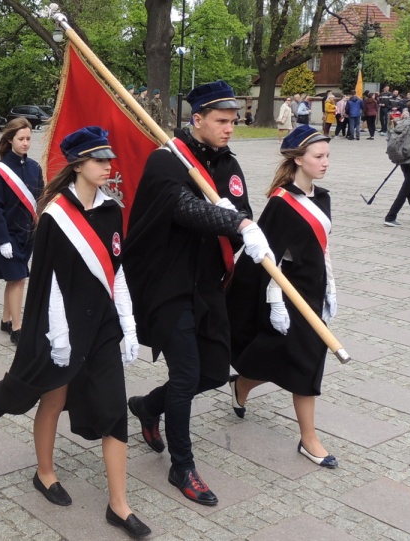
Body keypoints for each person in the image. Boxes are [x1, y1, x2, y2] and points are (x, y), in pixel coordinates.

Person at [0, 127, 152, 539]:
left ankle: (119, 505)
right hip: (61, 328)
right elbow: (46, 282)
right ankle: (44, 473)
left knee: (113, 407)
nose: (108, 167)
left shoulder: (112, 210)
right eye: (99, 161)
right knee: (54, 397)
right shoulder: (54, 216)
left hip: (101, 325)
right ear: (78, 165)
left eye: (109, 160)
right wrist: (61, 336)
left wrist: (128, 324)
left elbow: (116, 273)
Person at [123, 81, 273, 507]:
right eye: (222, 121)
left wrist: (240, 221)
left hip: (208, 286)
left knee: (211, 372)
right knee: (187, 375)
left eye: (233, 121)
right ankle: (182, 465)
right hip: (166, 285)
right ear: (198, 120)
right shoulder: (166, 161)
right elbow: (181, 208)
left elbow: (242, 211)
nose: (230, 129)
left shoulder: (227, 163)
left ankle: (149, 406)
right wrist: (231, 221)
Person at [227, 124, 339, 469]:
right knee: (305, 360)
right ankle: (309, 438)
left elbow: (322, 249)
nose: (325, 163)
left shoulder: (322, 197)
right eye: (318, 157)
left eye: (327, 157)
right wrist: (276, 301)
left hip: (313, 289)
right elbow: (267, 258)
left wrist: (331, 286)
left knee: (299, 358)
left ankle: (243, 383)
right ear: (298, 159)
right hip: (289, 294)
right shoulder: (281, 203)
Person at [0, 118, 42, 344]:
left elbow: (39, 200)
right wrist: (2, 240)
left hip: (28, 234)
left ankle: (5, 320)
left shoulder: (35, 167)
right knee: (19, 278)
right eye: (21, 139)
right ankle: (17, 327)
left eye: (28, 139)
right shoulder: (0, 171)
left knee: (14, 279)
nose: (25, 143)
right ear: (10, 140)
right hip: (8, 235)